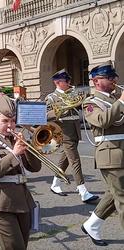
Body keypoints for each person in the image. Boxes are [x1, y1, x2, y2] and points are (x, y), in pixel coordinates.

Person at [0, 95, 42, 250]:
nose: (10, 125)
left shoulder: (17, 139)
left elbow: (35, 168)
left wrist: (28, 149)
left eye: (13, 121)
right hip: (1, 203)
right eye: (5, 121)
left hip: (23, 200)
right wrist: (14, 154)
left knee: (22, 246)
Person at [81, 61, 124, 246]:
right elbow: (102, 120)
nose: (115, 79)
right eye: (110, 77)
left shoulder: (115, 98)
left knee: (114, 192)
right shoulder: (90, 102)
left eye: (114, 76)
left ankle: (92, 224)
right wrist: (122, 101)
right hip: (110, 155)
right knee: (122, 198)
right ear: (97, 81)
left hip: (121, 152)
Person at [45, 69, 98, 203]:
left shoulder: (72, 94)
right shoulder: (51, 97)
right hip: (64, 131)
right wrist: (61, 111)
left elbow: (80, 108)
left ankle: (55, 184)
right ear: (57, 82)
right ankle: (83, 191)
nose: (69, 83)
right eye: (66, 81)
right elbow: (45, 115)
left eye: (69, 80)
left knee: (66, 158)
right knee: (75, 160)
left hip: (75, 130)